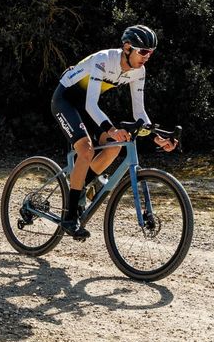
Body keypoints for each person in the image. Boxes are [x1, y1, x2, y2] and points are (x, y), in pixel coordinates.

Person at [50, 24, 178, 238]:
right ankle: (70, 216)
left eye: (151, 52)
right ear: (127, 48)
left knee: (114, 147)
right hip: (65, 99)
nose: (147, 57)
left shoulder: (139, 71)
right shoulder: (104, 59)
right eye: (143, 51)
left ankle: (82, 185)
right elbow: (92, 104)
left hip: (85, 105)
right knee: (86, 150)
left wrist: (157, 135)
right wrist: (112, 128)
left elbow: (140, 112)